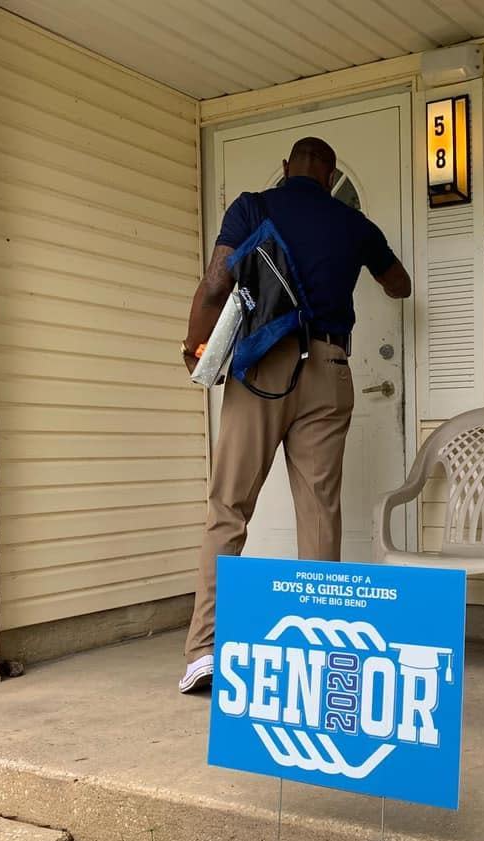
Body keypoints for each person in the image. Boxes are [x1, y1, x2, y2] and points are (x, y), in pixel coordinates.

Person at [178, 137, 411, 694]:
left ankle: (206, 652)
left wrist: (194, 346)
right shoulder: (355, 224)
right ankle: (324, 651)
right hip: (330, 367)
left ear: (287, 169)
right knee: (320, 512)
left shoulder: (253, 207)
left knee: (229, 506)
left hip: (263, 366)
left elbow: (216, 284)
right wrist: (362, 260)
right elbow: (398, 284)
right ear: (330, 177)